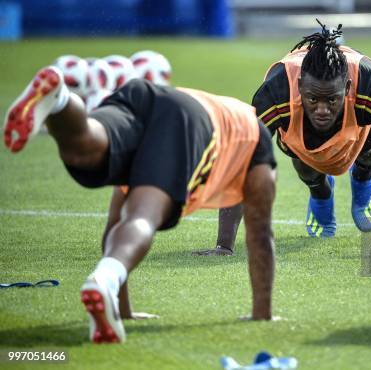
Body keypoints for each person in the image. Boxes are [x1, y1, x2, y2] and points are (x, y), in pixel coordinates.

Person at [3, 66, 277, 343]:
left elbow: (113, 224)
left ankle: (60, 99)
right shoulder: (257, 142)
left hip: (143, 95)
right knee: (144, 215)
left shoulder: (239, 128)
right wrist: (262, 314)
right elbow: (260, 237)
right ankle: (104, 280)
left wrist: (123, 311)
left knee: (84, 150)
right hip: (190, 118)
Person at [197, 20, 371, 256]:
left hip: (358, 135)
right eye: (313, 99)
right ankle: (320, 193)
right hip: (300, 139)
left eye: (331, 100)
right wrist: (224, 245)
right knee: (307, 166)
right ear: (299, 85)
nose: (323, 109)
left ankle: (363, 176)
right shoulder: (275, 93)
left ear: (347, 87)